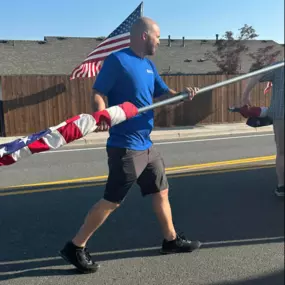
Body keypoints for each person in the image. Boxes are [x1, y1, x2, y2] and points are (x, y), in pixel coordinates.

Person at [59, 16, 201, 274]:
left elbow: (164, 95)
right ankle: (75, 246)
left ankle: (170, 240)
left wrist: (183, 95)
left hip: (146, 144)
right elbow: (99, 92)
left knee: (161, 192)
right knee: (112, 201)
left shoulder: (149, 66)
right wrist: (101, 114)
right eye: (157, 36)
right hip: (125, 145)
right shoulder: (117, 60)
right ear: (144, 36)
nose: (160, 41)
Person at [241, 60, 284, 197]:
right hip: (280, 113)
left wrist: (245, 94)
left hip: (280, 114)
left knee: (282, 152)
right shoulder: (279, 67)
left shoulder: (280, 66)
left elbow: (257, 75)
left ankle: (281, 186)